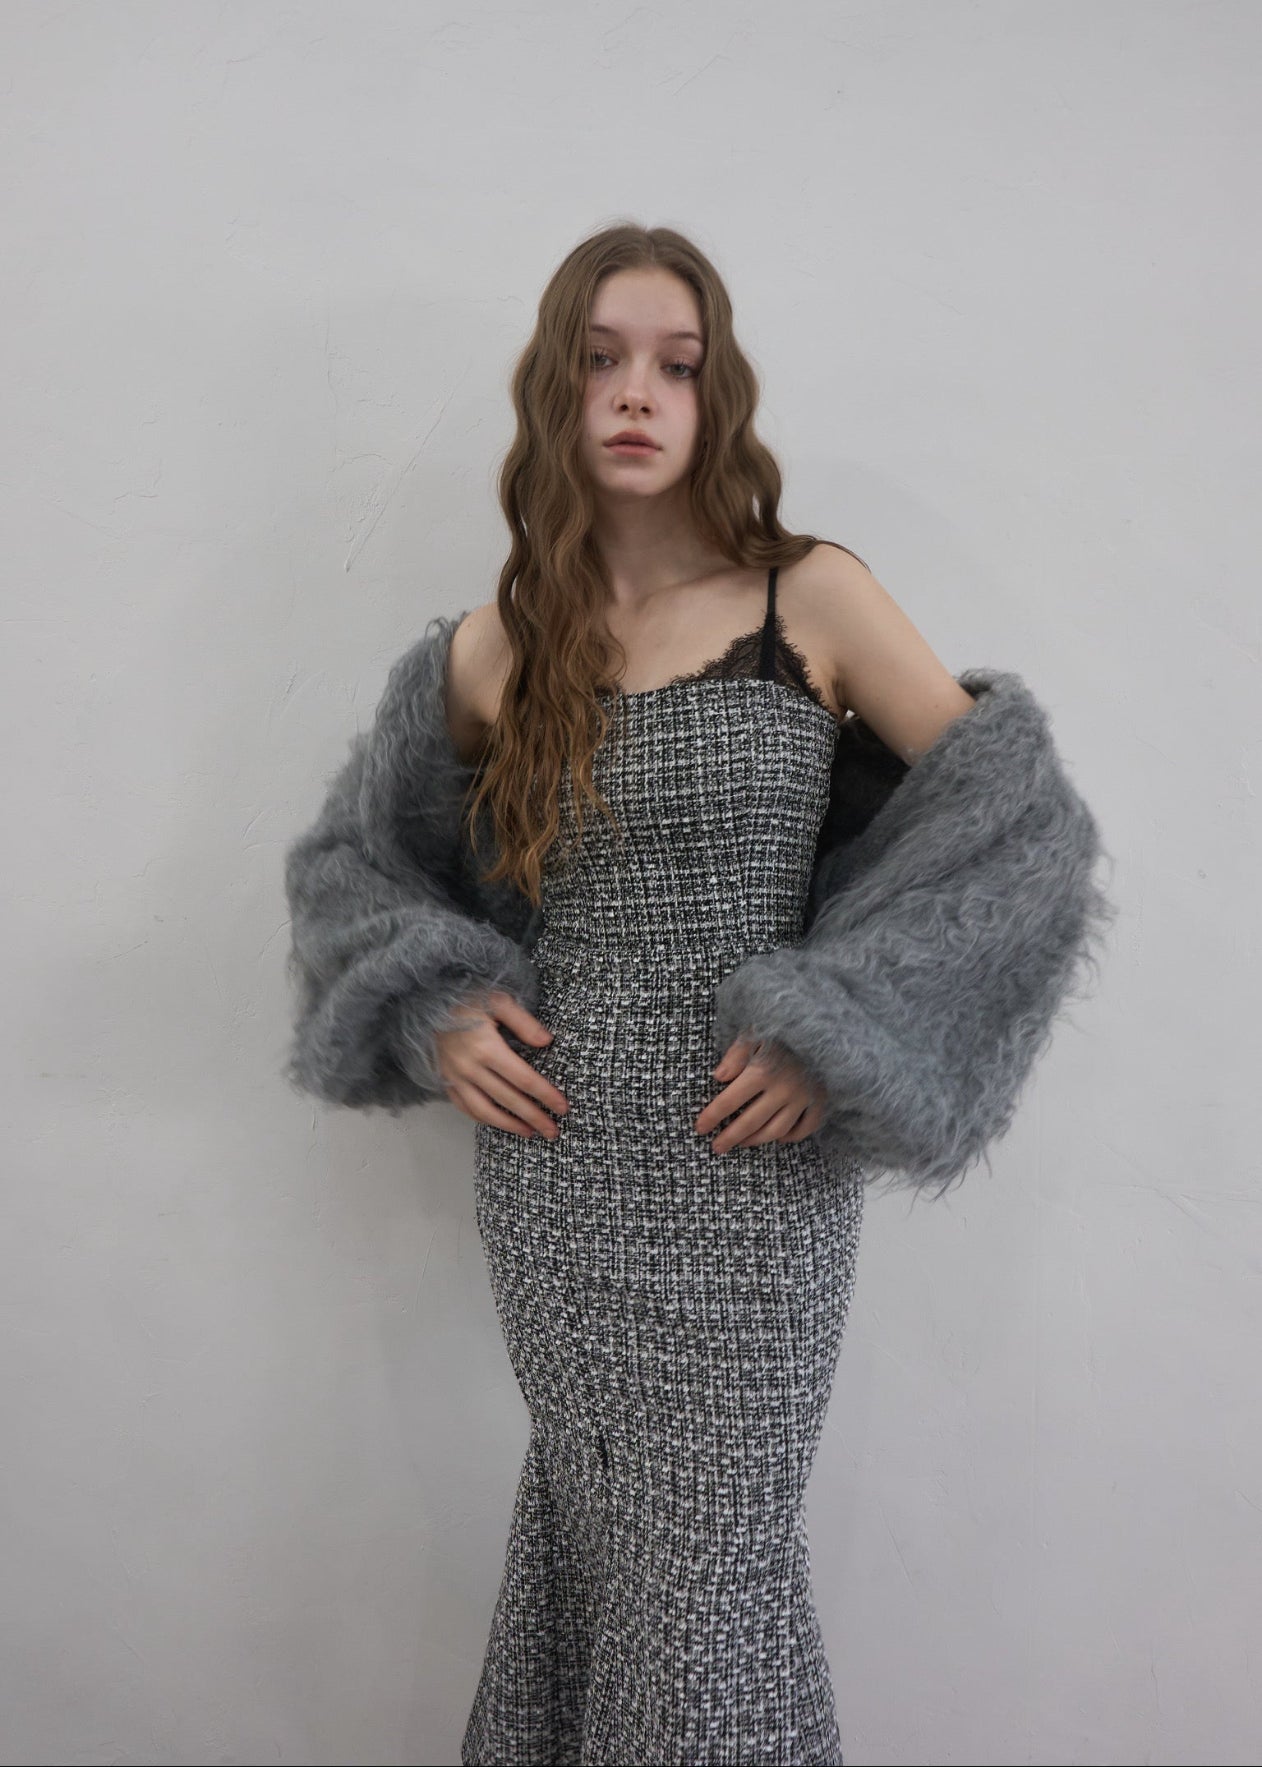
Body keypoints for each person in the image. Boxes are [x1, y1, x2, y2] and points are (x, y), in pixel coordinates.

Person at [282, 222, 1114, 1767]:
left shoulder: (811, 600)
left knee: (708, 1580)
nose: (634, 393)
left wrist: (840, 1025)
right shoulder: (491, 650)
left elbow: (1020, 830)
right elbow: (349, 869)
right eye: (600, 360)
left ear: (715, 393)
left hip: (753, 1186)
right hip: (560, 1178)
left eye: (673, 364)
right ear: (552, 388)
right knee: (600, 1541)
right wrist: (434, 1008)